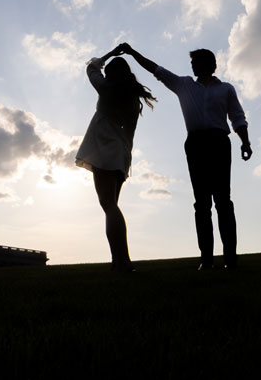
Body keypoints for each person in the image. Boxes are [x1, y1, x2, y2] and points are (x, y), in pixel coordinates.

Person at [120, 43, 251, 270]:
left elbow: (237, 117)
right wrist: (132, 53)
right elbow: (156, 70)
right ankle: (207, 260)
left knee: (223, 201)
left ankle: (231, 259)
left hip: (220, 142)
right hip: (196, 143)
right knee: (202, 203)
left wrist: (245, 142)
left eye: (195, 61)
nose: (191, 65)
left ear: (208, 65)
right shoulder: (183, 84)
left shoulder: (226, 89)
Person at [75, 45, 156, 272]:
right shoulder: (132, 98)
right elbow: (130, 134)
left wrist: (110, 53)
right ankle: (119, 260)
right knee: (112, 207)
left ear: (111, 75)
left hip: (103, 151)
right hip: (120, 155)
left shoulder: (106, 89)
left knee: (109, 206)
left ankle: (122, 261)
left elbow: (91, 68)